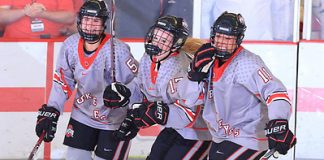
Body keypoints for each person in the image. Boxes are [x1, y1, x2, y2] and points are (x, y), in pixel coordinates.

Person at [180, 11, 297, 159]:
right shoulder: (206, 60)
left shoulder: (247, 64)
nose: (222, 42)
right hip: (221, 135)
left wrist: (279, 121)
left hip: (249, 136)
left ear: (238, 40)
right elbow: (189, 99)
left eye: (228, 38)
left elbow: (276, 93)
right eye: (219, 36)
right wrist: (193, 74)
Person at [34, 0, 139, 159]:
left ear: (104, 23)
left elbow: (138, 83)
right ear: (79, 21)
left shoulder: (118, 50)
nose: (90, 25)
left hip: (114, 120)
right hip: (82, 116)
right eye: (87, 20)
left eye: (96, 20)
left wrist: (125, 94)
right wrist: (52, 110)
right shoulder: (70, 45)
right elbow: (63, 81)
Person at [104, 15, 212, 160]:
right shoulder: (148, 59)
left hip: (197, 132)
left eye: (164, 41)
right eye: (155, 38)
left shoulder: (183, 67)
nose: (156, 44)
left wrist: (157, 114)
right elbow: (144, 91)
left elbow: (187, 114)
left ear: (176, 43)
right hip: (174, 128)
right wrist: (125, 94)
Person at [0, 0, 74, 39]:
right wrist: (25, 11)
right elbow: (1, 16)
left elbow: (70, 17)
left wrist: (42, 13)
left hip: (52, 43)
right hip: (15, 44)